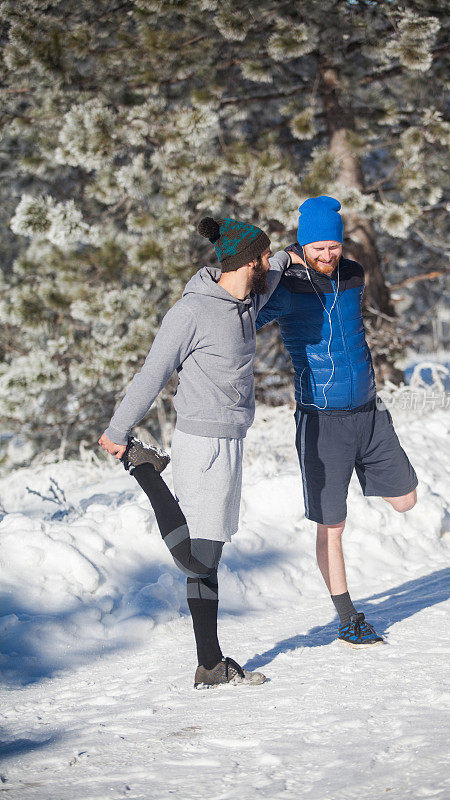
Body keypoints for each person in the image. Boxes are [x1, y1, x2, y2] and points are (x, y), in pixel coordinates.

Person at [99, 215, 289, 687]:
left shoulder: (250, 297)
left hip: (232, 443)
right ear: (247, 262)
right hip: (200, 442)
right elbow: (152, 372)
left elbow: (284, 262)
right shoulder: (191, 312)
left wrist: (307, 246)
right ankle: (144, 470)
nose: (270, 261)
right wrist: (119, 430)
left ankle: (209, 665)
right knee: (195, 559)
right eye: (263, 256)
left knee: (210, 557)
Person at [256, 196, 418, 647]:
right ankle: (347, 617)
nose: (327, 256)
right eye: (316, 248)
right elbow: (245, 313)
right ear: (302, 246)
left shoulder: (353, 274)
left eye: (333, 246)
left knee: (405, 500)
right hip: (321, 420)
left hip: (369, 412)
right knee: (332, 526)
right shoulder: (284, 286)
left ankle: (362, 474)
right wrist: (280, 263)